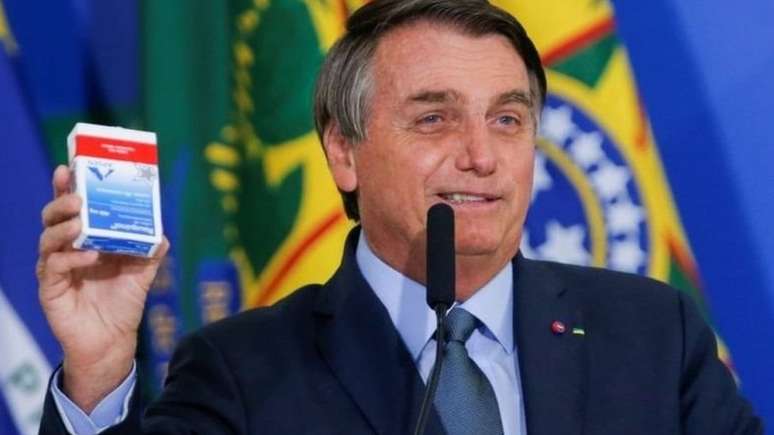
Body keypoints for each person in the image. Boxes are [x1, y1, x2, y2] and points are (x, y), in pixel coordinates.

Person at [37, 0, 762, 434]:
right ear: (343, 152)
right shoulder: (244, 370)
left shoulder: (653, 333)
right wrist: (98, 371)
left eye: (507, 119)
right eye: (434, 118)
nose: (481, 156)